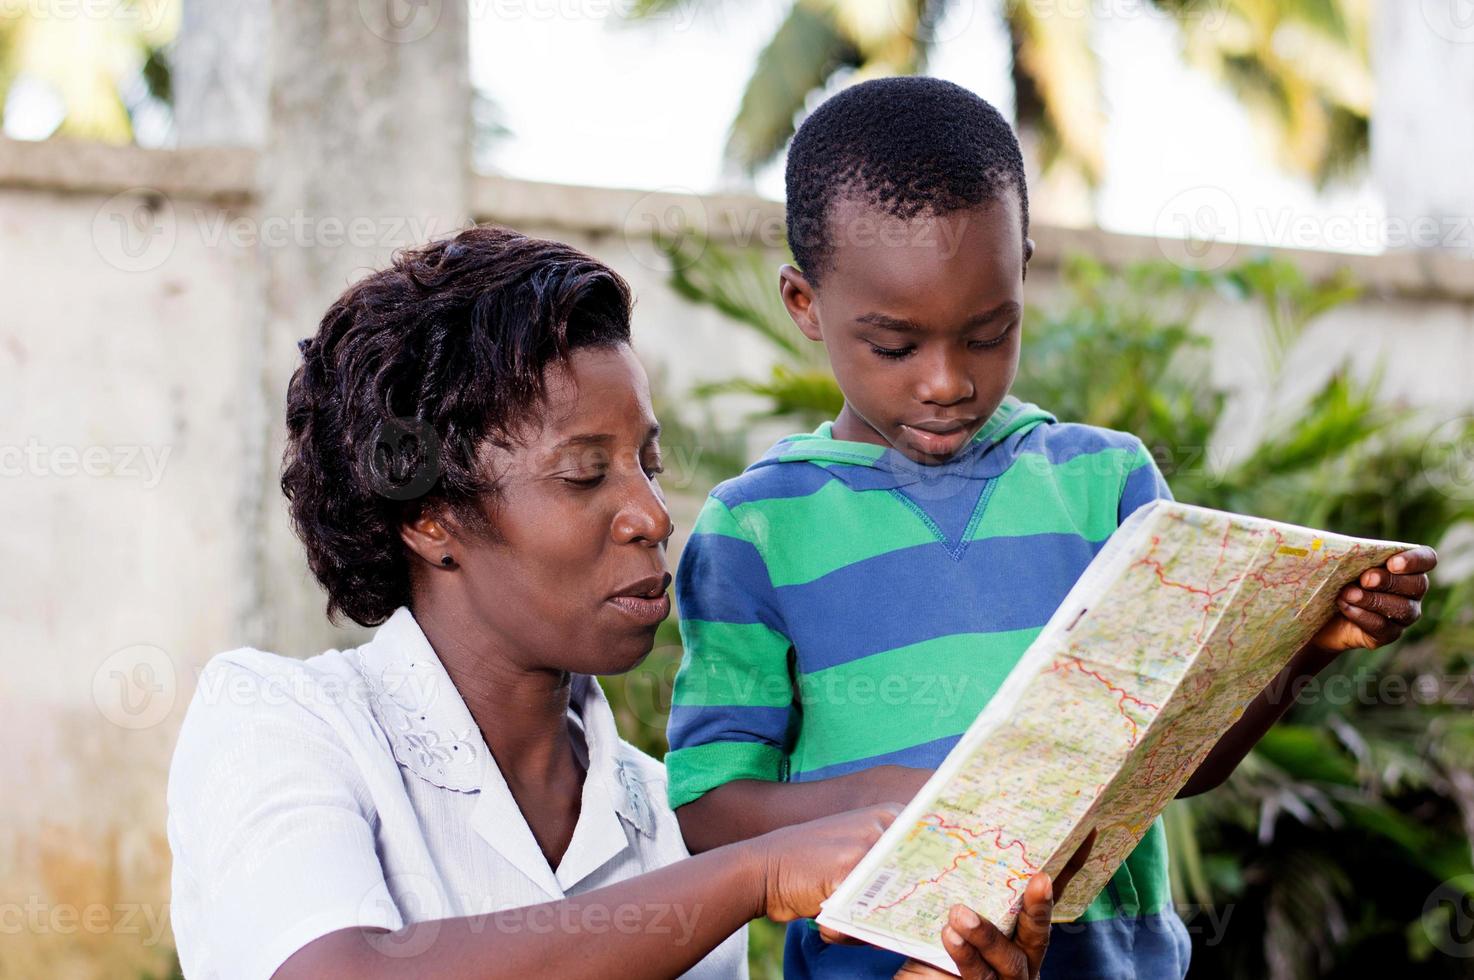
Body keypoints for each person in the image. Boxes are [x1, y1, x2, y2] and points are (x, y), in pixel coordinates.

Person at [664, 77, 1438, 979]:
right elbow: (710, 810)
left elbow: (1178, 765)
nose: (947, 380)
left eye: (989, 333)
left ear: (1023, 271)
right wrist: (912, 809)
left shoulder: (1105, 487)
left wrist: (1308, 647)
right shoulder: (755, 530)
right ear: (804, 304)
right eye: (895, 346)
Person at [165, 225, 1062, 980]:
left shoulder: (657, 817)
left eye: (649, 464)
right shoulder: (284, 722)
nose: (650, 514)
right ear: (431, 516)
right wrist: (753, 873)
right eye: (584, 473)